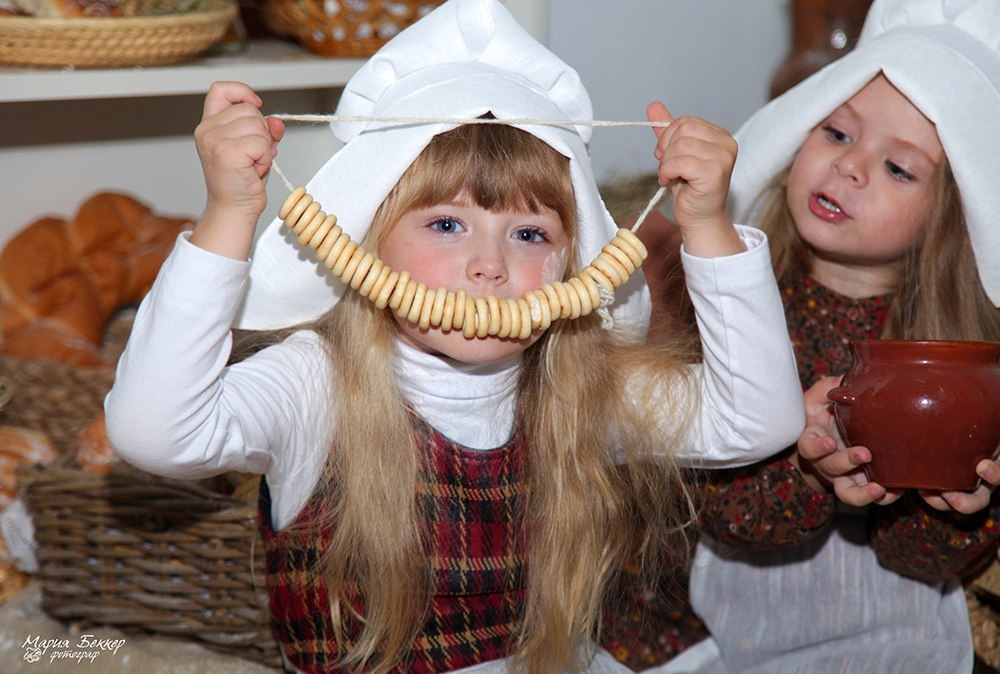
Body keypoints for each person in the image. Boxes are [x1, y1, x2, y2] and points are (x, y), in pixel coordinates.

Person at [103, 0, 806, 672]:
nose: (489, 266)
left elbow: (759, 419)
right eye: (446, 224)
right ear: (367, 240)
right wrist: (229, 214)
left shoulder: (581, 383)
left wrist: (709, 225)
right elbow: (154, 433)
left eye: (529, 234)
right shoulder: (316, 380)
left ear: (575, 261)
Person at [600, 0, 1000, 672]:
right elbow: (716, 516)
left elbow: (920, 563)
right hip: (697, 634)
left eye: (898, 168)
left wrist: (963, 506)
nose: (850, 167)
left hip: (888, 637)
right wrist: (802, 469)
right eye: (837, 134)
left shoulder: (960, 359)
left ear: (953, 218)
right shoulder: (728, 299)